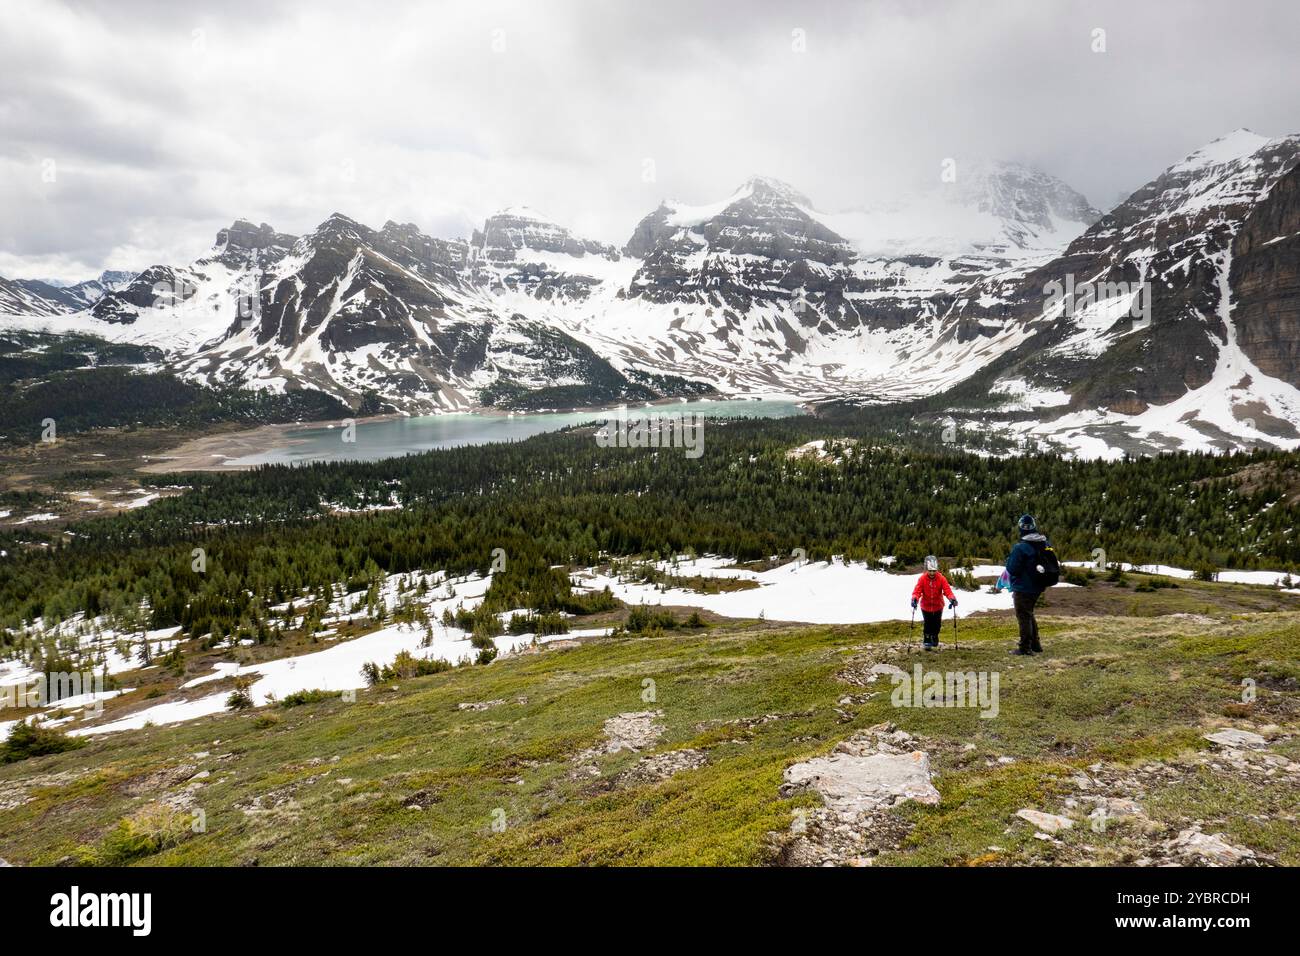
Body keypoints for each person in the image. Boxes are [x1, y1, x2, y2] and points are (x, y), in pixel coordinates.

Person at [1004, 514, 1053, 655]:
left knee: (1024, 616)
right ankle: (1036, 645)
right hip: (1038, 586)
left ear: (1020, 529)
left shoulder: (1020, 547)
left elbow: (1012, 569)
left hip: (1023, 587)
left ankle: (1025, 648)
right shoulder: (1044, 543)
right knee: (1029, 613)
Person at [911, 555, 957, 650]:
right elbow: (917, 591)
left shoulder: (941, 578)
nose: (932, 573)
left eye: (934, 571)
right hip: (926, 606)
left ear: (937, 570)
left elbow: (947, 590)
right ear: (927, 569)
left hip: (938, 606)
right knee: (928, 623)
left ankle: (934, 636)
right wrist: (915, 598)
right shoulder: (922, 579)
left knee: (937, 624)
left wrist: (952, 598)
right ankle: (927, 639)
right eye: (930, 570)